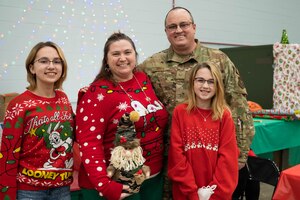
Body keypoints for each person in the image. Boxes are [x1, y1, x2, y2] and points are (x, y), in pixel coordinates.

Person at [138, 6, 254, 199]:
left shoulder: (218, 60)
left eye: (184, 25)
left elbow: (239, 106)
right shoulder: (151, 65)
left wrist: (240, 153)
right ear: (166, 31)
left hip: (211, 158)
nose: (178, 30)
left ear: (194, 27)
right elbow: (126, 84)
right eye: (172, 26)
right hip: (170, 158)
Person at [75, 32, 169, 200]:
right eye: (116, 54)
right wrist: (104, 185)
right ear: (106, 59)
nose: (123, 58)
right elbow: (89, 143)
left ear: (135, 55)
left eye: (127, 52)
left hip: (152, 178)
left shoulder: (143, 79)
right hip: (118, 183)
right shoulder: (96, 93)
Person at [0, 41, 74, 200]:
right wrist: (6, 194)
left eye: (56, 61)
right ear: (32, 68)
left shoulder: (64, 99)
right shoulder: (19, 104)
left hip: (62, 188)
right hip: (29, 191)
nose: (51, 66)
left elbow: (75, 133)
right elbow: (8, 153)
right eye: (44, 61)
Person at [168, 62, 239, 200]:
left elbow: (228, 160)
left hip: (216, 193)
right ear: (192, 83)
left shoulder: (224, 115)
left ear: (218, 86)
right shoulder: (180, 112)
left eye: (211, 82)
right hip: (186, 192)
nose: (205, 86)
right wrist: (193, 193)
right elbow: (177, 156)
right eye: (200, 80)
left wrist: (214, 195)